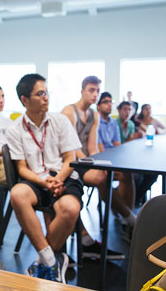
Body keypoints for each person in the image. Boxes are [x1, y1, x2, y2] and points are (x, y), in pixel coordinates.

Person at [6, 74, 82, 283]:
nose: (46, 97)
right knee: (17, 194)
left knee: (70, 208)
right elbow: (21, 168)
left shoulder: (60, 121)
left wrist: (58, 180)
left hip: (63, 176)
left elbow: (70, 159)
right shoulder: (15, 129)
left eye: (46, 93)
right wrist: (44, 182)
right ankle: (51, 260)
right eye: (40, 94)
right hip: (36, 179)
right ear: (25, 100)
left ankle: (42, 262)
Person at [62, 77, 127, 256]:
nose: (95, 94)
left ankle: (127, 218)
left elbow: (91, 146)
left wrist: (97, 162)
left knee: (106, 174)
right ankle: (128, 218)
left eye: (97, 90)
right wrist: (93, 164)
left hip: (83, 160)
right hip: (69, 160)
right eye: (91, 90)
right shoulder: (69, 112)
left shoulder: (94, 115)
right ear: (82, 91)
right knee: (100, 176)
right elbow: (71, 148)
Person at [96, 92, 136, 240]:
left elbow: (117, 145)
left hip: (112, 158)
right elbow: (99, 148)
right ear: (98, 105)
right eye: (105, 101)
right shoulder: (96, 121)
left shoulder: (112, 123)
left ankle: (128, 219)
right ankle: (130, 219)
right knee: (107, 178)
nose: (109, 104)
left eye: (110, 101)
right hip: (100, 160)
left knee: (128, 173)